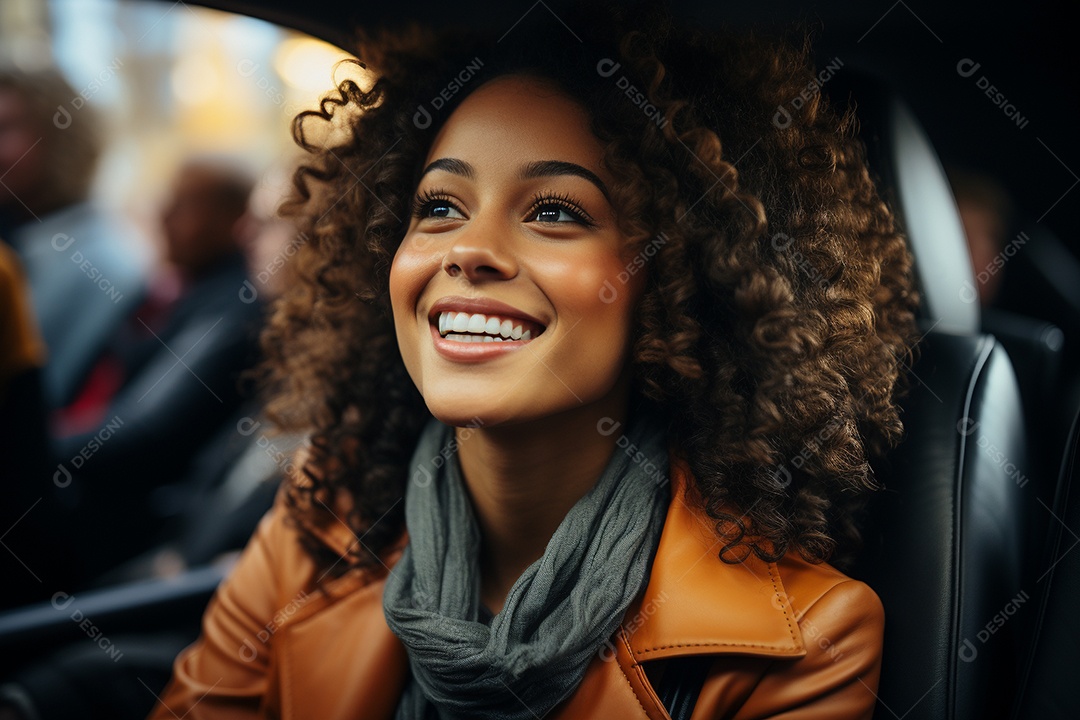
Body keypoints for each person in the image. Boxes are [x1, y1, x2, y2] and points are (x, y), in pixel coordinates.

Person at [149, 4, 918, 718]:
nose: (469, 251)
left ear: (686, 277)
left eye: (555, 212)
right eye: (440, 207)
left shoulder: (803, 642)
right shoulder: (315, 528)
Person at [0, 64, 149, 409]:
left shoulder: (100, 261)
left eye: (6, 128)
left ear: (61, 139)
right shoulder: (23, 233)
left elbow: (32, 405)